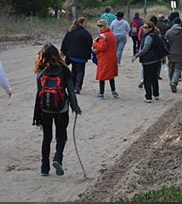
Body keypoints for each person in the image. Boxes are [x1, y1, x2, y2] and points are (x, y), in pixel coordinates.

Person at [33, 44, 81, 176]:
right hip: (61, 109)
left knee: (46, 137)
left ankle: (44, 167)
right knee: (61, 135)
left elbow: (39, 93)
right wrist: (75, 107)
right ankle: (58, 158)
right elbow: (71, 91)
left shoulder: (41, 72)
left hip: (45, 109)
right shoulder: (64, 70)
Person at [60, 17, 93, 94]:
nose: (86, 25)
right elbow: (90, 43)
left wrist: (63, 52)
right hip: (81, 56)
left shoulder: (70, 31)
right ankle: (77, 87)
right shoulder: (85, 33)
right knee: (80, 71)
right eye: (85, 23)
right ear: (80, 23)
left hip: (71, 55)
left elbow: (65, 42)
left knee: (74, 70)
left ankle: (73, 85)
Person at [132, 21, 161, 102]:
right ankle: (156, 94)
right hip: (156, 60)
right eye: (143, 27)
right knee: (154, 78)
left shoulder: (148, 37)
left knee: (147, 79)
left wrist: (136, 56)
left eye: (145, 27)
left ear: (150, 28)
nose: (143, 29)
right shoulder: (156, 35)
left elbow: (145, 49)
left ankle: (148, 97)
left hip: (148, 60)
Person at [92, 19, 119, 99]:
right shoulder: (111, 34)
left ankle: (101, 93)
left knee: (101, 76)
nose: (99, 27)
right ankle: (113, 91)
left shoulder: (103, 36)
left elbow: (102, 47)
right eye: (98, 26)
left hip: (104, 58)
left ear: (105, 26)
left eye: (101, 26)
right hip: (112, 57)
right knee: (111, 76)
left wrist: (95, 44)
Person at [165, 17, 182, 93]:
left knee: (171, 68)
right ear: (180, 24)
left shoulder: (168, 32)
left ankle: (171, 81)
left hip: (170, 53)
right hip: (180, 53)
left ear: (173, 23)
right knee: (178, 68)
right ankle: (174, 82)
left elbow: (165, 42)